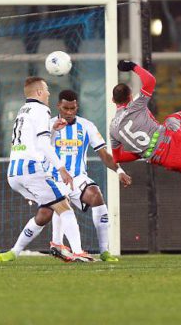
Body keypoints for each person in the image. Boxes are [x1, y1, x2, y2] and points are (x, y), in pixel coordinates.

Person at [0, 77, 92, 263]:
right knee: (64, 206)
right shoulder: (41, 109)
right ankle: (78, 252)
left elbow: (33, 139)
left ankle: (14, 252)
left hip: (14, 173)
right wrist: (61, 168)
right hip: (31, 169)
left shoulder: (23, 110)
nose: (48, 93)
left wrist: (52, 129)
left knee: (47, 211)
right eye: (46, 89)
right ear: (39, 92)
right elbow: (43, 144)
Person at [48, 90, 132, 262]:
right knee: (56, 207)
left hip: (78, 177)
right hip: (54, 178)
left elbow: (104, 154)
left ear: (77, 106)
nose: (69, 112)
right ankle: (57, 244)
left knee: (96, 195)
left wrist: (119, 171)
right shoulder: (48, 126)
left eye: (72, 108)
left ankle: (104, 251)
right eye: (65, 108)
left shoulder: (86, 126)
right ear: (58, 106)